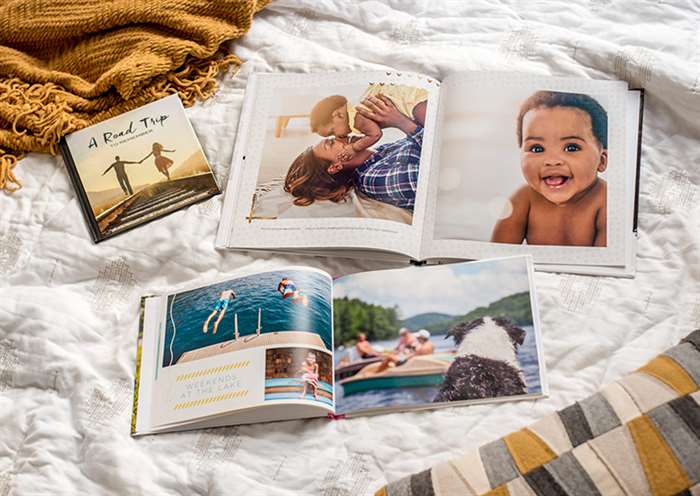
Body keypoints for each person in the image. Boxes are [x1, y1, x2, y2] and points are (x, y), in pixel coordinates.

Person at [491, 91, 608, 247]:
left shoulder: (605, 201)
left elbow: (607, 265)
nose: (552, 160)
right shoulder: (524, 199)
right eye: (537, 148)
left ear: (601, 160)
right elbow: (496, 256)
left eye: (571, 147)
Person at [285, 94, 425, 210]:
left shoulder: (379, 152)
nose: (341, 136)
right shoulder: (372, 180)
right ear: (336, 166)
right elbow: (431, 178)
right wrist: (401, 122)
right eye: (331, 142)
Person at [309, 84, 428, 164]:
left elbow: (375, 134)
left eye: (332, 131)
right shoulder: (356, 105)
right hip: (408, 97)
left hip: (409, 100)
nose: (336, 137)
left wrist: (354, 148)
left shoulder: (357, 118)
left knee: (429, 124)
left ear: (338, 115)